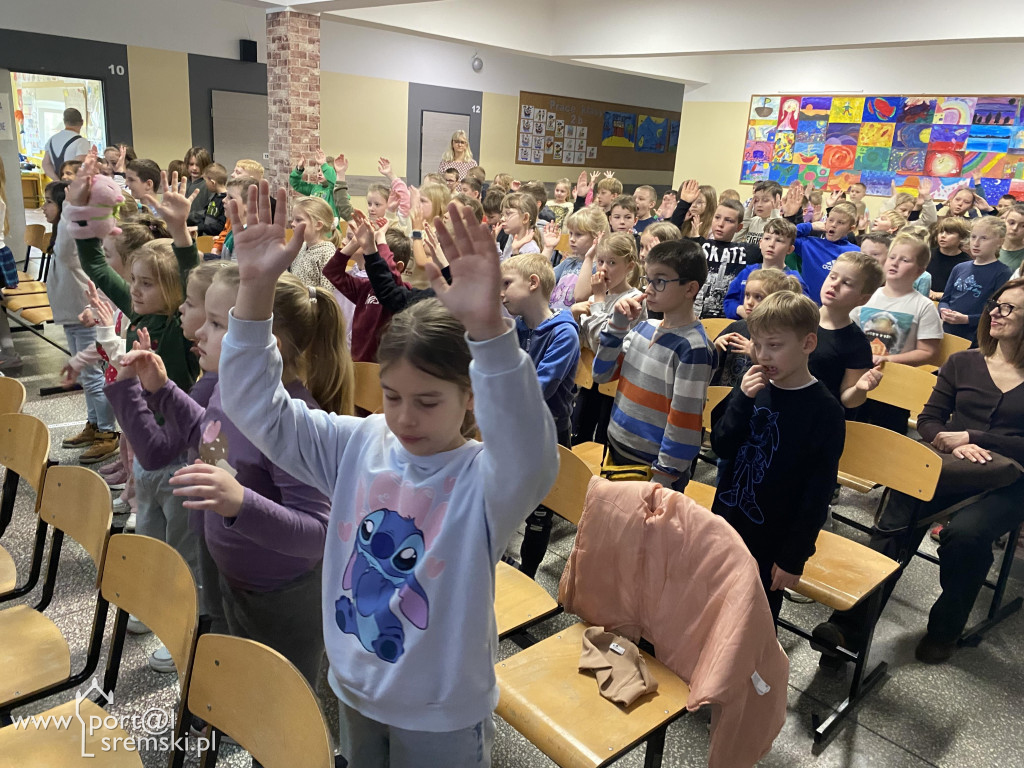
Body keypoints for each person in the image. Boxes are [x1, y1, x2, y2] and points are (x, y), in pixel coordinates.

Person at [219, 182, 558, 764]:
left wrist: (492, 334)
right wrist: (254, 289)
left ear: (472, 397)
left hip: (440, 711)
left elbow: (532, 454)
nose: (404, 417)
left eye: (427, 402)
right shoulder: (360, 443)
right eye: (394, 396)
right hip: (355, 685)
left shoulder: (484, 482)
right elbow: (258, 412)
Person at [108, 265, 348, 685]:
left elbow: (317, 534)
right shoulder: (226, 388)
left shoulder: (295, 422)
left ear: (262, 345)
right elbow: (208, 434)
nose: (199, 331)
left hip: (279, 596)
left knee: (277, 702)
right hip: (228, 572)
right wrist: (159, 390)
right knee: (240, 678)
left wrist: (240, 503)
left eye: (218, 323)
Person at [815, 278, 1024, 664]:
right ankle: (847, 628)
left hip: (1011, 481)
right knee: (897, 517)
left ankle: (945, 628)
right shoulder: (964, 362)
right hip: (950, 466)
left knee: (966, 534)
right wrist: (949, 439)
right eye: (996, 304)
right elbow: (929, 420)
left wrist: (973, 436)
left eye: (1008, 308)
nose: (994, 312)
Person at [711, 291, 845, 621]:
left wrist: (793, 557)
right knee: (712, 601)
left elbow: (818, 491)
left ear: (808, 343)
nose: (763, 355)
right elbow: (722, 445)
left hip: (771, 538)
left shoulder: (824, 410)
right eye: (757, 344)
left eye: (774, 345)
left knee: (754, 617)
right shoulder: (753, 385)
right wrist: (742, 399)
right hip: (726, 520)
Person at [593, 239, 715, 491]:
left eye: (659, 281)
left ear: (690, 288)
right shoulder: (643, 328)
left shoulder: (694, 348)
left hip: (654, 470)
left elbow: (684, 422)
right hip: (617, 448)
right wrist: (616, 327)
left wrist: (663, 480)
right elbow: (601, 374)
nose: (648, 290)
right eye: (647, 280)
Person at [500, 253, 580, 578]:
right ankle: (503, 568)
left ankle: (528, 579)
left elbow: (536, 389)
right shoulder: (519, 326)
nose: (500, 293)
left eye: (506, 284)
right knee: (506, 500)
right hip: (516, 430)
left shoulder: (564, 334)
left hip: (551, 436)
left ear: (533, 283)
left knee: (540, 513)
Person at [45, 180, 120, 463]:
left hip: (87, 317)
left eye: (49, 202)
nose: (43, 207)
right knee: (87, 379)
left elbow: (65, 251)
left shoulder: (74, 236)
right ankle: (94, 425)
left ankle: (107, 433)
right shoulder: (64, 234)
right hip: (72, 317)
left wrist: (71, 207)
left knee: (93, 377)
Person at [572, 232, 644, 445]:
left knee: (604, 439)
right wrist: (575, 316)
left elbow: (603, 342)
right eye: (601, 261)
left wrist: (598, 302)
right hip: (589, 378)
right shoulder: (597, 297)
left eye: (612, 262)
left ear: (629, 266)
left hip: (615, 381)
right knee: (580, 436)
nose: (603, 268)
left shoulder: (633, 299)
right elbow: (583, 342)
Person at [670, 180, 762, 319]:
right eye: (717, 218)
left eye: (729, 220)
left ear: (738, 227)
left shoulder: (746, 251)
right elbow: (670, 235)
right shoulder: (698, 244)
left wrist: (790, 216)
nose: (720, 224)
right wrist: (683, 204)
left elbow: (780, 244)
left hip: (727, 322)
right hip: (692, 318)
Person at [853, 234, 942, 367]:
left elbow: (927, 352)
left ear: (919, 271)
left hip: (897, 377)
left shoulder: (924, 306)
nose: (894, 263)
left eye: (905, 260)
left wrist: (888, 360)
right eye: (892, 257)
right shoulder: (865, 296)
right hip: (859, 370)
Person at [812, 252, 886, 409]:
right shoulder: (799, 317)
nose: (834, 284)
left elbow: (849, 400)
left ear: (863, 299)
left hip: (819, 415)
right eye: (833, 276)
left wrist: (859, 388)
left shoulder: (856, 343)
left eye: (847, 283)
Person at [711, 268, 803, 389]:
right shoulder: (737, 327)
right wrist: (716, 348)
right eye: (747, 295)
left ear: (776, 301)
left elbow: (781, 377)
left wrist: (755, 354)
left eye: (758, 297)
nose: (749, 302)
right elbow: (710, 368)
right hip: (725, 399)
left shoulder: (779, 338)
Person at [780, 184, 860, 302]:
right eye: (831, 220)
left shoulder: (855, 252)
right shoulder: (809, 244)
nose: (833, 225)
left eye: (840, 223)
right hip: (805, 305)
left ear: (850, 229)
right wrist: (809, 226)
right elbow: (784, 235)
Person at [939, 217, 1013, 343]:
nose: (976, 243)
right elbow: (945, 299)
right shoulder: (959, 267)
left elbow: (998, 311)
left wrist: (967, 319)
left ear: (1000, 241)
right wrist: (943, 310)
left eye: (984, 238)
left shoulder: (1002, 273)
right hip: (948, 331)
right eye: (973, 237)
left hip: (976, 336)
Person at [722, 217, 808, 319]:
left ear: (790, 249)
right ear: (760, 243)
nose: (771, 244)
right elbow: (729, 301)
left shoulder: (793, 279)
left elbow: (801, 313)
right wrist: (739, 310)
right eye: (767, 238)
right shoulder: (747, 272)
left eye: (779, 241)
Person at [547, 206, 609, 311]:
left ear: (596, 236)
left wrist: (589, 258)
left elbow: (580, 297)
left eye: (578, 235)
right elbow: (541, 278)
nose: (572, 239)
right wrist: (548, 248)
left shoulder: (598, 268)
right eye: (571, 233)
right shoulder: (568, 262)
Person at [289, 196, 343, 291]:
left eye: (298, 220)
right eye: (293, 219)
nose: (292, 224)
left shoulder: (327, 252)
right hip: (295, 303)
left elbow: (328, 292)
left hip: (312, 305)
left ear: (318, 225)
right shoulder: (302, 246)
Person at [927, 217, 971, 301]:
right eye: (941, 232)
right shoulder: (926, 255)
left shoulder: (966, 263)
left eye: (949, 233)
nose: (943, 236)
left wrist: (940, 295)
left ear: (962, 237)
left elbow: (963, 293)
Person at [42, 108, 92, 182]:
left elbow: (45, 164)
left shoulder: (51, 140)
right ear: (82, 122)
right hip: (73, 185)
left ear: (64, 122)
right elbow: (79, 166)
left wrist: (57, 180)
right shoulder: (82, 142)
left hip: (57, 185)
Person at [290, 150, 338, 218]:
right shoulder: (314, 188)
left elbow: (333, 180)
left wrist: (324, 164)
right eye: (318, 171)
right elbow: (296, 184)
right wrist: (299, 169)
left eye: (323, 171)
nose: (319, 173)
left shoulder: (335, 190)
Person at [734, 180, 781, 246]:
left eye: (765, 200)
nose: (759, 204)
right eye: (756, 200)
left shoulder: (782, 224)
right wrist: (746, 217)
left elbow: (772, 245)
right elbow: (734, 241)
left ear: (778, 202)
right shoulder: (753, 221)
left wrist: (775, 215)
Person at [499, 192, 541, 261]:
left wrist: (515, 252)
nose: (502, 219)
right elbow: (502, 267)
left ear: (525, 218)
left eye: (508, 214)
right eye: (502, 215)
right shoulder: (512, 240)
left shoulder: (531, 250)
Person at [183, 147, 213, 227]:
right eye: (191, 164)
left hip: (200, 229)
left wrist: (189, 217)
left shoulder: (209, 185)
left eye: (198, 165)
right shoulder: (184, 184)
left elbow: (209, 212)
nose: (194, 168)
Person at [197, 163, 228, 237]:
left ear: (213, 182)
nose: (205, 184)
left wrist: (200, 227)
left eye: (206, 181)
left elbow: (221, 227)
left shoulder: (226, 201)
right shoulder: (214, 197)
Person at [999, 203, 1024, 274]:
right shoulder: (990, 247)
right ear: (1004, 221)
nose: (1015, 228)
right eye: (1011, 223)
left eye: (1023, 226)